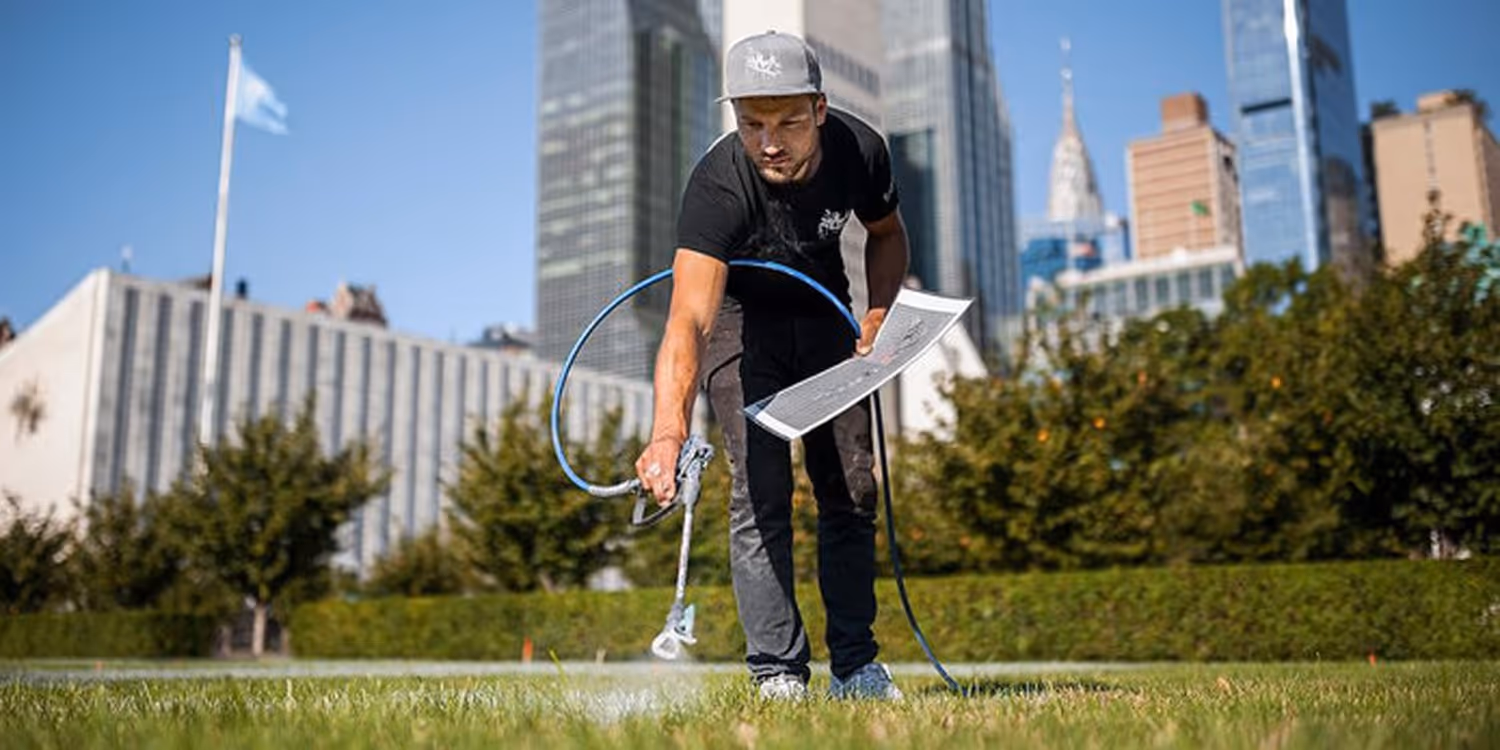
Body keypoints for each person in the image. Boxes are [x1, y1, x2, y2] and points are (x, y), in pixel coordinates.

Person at [634, 31, 909, 701]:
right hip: (740, 325)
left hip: (826, 319)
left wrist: (879, 314)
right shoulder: (716, 186)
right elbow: (688, 320)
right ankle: (777, 672)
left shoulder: (860, 150)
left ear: (819, 107)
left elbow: (887, 235)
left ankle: (856, 666)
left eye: (787, 120)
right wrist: (667, 431)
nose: (770, 141)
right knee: (759, 495)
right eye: (752, 123)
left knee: (852, 487)